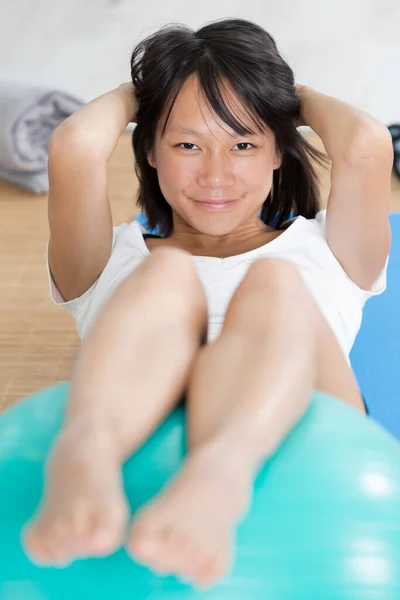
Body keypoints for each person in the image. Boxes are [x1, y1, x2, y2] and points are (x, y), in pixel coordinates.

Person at [23, 18, 393, 589]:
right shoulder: (112, 260)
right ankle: (88, 449)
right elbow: (73, 146)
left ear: (279, 152)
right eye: (187, 144)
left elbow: (367, 143)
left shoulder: (326, 251)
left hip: (306, 437)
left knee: (274, 284)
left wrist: (284, 99)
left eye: (244, 144)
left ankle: (220, 473)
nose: (216, 175)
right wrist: (145, 95)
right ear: (147, 149)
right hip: (132, 414)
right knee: (168, 269)